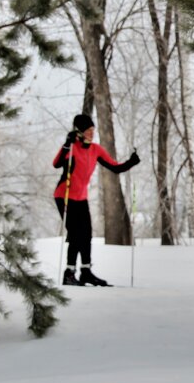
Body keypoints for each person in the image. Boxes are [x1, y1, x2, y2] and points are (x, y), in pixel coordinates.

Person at [53, 113, 140, 286]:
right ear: (79, 131)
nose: (91, 133)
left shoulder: (95, 150)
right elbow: (56, 164)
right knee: (76, 235)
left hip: (81, 198)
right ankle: (69, 274)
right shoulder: (72, 147)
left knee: (86, 235)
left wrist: (131, 162)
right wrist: (66, 145)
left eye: (93, 130)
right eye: (88, 130)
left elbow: (115, 167)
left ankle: (86, 272)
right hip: (65, 196)